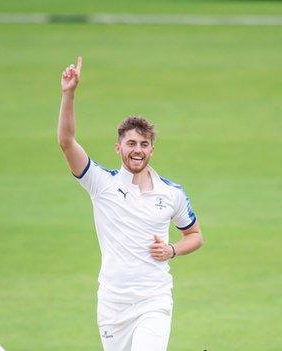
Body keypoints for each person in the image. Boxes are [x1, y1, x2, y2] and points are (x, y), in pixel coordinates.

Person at [57, 57, 204, 351]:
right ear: (119, 147)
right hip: (113, 306)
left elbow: (196, 235)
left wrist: (172, 250)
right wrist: (69, 93)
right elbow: (66, 141)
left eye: (144, 144)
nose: (138, 150)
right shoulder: (102, 184)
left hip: (154, 300)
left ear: (152, 149)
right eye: (131, 144)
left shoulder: (171, 193)